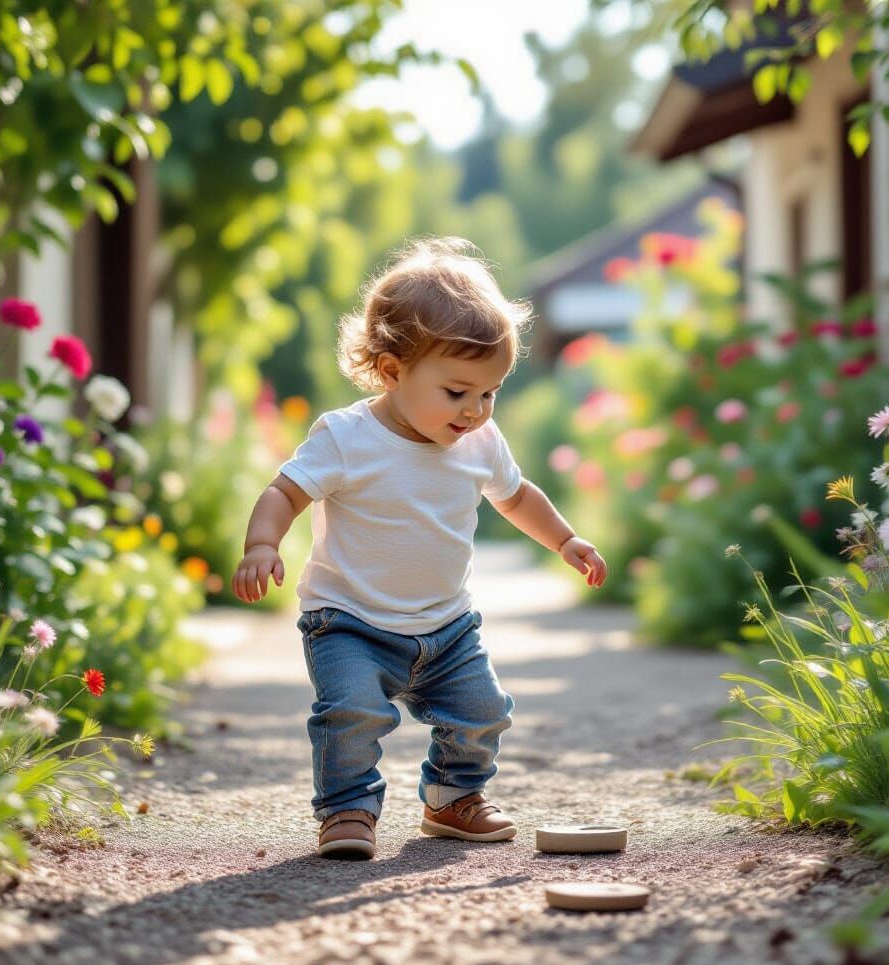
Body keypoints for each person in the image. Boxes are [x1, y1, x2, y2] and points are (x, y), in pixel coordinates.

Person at [231, 237, 607, 860]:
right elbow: (285, 491)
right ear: (393, 370)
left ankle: (453, 799)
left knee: (483, 712)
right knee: (350, 715)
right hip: (348, 621)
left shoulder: (480, 443)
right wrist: (261, 544)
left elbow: (516, 497)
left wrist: (565, 538)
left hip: (447, 626)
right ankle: (348, 809)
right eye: (457, 392)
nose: (475, 411)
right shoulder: (348, 436)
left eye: (489, 393)